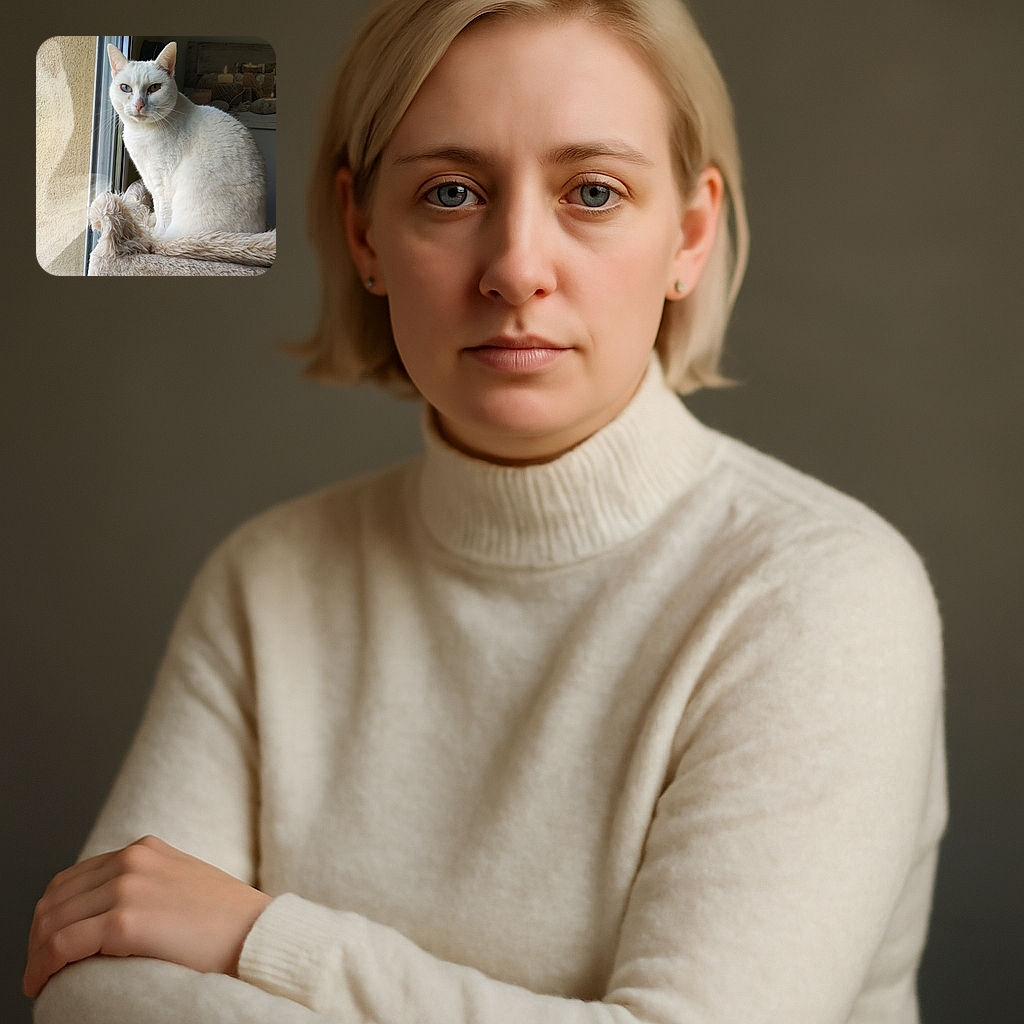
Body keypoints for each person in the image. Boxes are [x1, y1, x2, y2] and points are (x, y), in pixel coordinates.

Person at [24, 1, 947, 1021]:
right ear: (363, 234)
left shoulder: (823, 593)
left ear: (688, 236)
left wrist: (260, 938)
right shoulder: (265, 582)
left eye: (592, 192)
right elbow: (99, 995)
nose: (515, 268)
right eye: (451, 192)